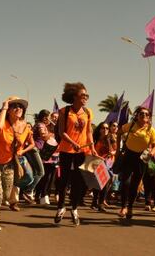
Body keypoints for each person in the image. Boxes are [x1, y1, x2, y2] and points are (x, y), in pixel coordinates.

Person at [0, 96, 34, 231]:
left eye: (21, 106)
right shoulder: (1, 123)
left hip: (8, 164)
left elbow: (29, 143)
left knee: (5, 195)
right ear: (8, 110)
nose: (19, 108)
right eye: (14, 106)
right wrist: (4, 106)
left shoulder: (26, 127)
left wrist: (21, 151)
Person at [54, 82, 98, 226]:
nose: (85, 97)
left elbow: (89, 132)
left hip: (83, 151)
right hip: (67, 149)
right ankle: (61, 206)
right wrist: (73, 143)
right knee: (64, 180)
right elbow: (61, 132)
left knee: (79, 181)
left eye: (87, 95)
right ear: (74, 96)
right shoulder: (64, 111)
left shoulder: (88, 112)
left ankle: (74, 208)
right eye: (83, 95)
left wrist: (92, 147)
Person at [117, 106, 155, 220]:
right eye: (141, 114)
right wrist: (117, 150)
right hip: (129, 155)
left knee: (135, 185)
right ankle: (123, 207)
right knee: (125, 182)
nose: (143, 115)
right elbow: (119, 132)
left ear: (149, 117)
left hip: (142, 158)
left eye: (146, 114)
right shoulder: (130, 125)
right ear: (137, 115)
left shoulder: (151, 130)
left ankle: (130, 207)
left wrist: (152, 152)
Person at [34, 109, 58, 205]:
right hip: (39, 151)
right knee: (42, 174)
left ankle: (41, 195)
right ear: (44, 118)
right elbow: (44, 136)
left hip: (46, 153)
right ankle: (37, 194)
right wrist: (56, 132)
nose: (50, 119)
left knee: (47, 176)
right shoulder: (41, 125)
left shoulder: (46, 126)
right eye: (49, 117)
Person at [91, 122, 117, 211]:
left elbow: (115, 150)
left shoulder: (110, 138)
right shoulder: (95, 138)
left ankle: (101, 203)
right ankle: (94, 201)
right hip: (96, 161)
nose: (105, 130)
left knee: (104, 183)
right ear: (99, 129)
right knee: (97, 183)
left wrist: (112, 152)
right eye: (103, 128)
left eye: (106, 128)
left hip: (107, 162)